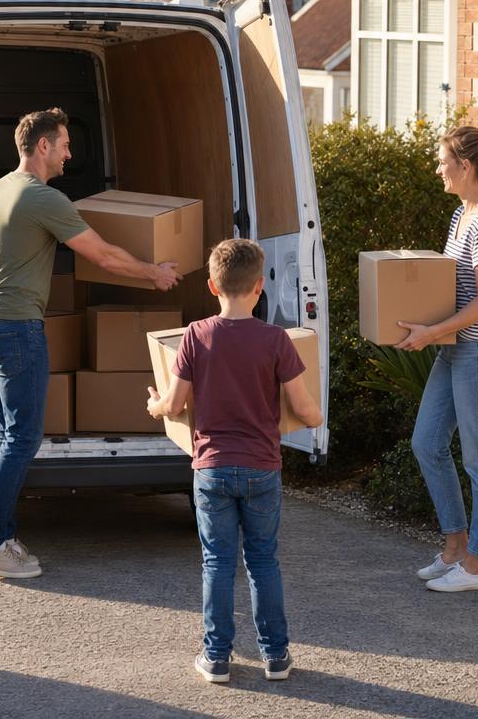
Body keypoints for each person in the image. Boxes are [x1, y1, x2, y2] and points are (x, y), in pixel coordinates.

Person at [0, 107, 180, 579]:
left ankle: (1, 535)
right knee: (22, 439)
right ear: (42, 146)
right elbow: (102, 255)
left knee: (9, 438)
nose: (69, 153)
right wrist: (154, 272)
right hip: (15, 326)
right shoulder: (44, 198)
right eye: (64, 143)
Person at [147, 239, 323, 684]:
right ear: (260, 287)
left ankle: (218, 658)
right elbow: (305, 410)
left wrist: (154, 405)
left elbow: (173, 404)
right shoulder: (276, 340)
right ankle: (276, 657)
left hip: (211, 468)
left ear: (211, 285)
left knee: (217, 563)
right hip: (262, 467)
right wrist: (317, 414)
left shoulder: (195, 335)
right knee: (263, 562)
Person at [397, 124, 478, 593]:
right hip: (456, 347)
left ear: (465, 166)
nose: (437, 167)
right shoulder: (461, 214)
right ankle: (455, 545)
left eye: (442, 160)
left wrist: (431, 332)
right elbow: (453, 285)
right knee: (426, 443)